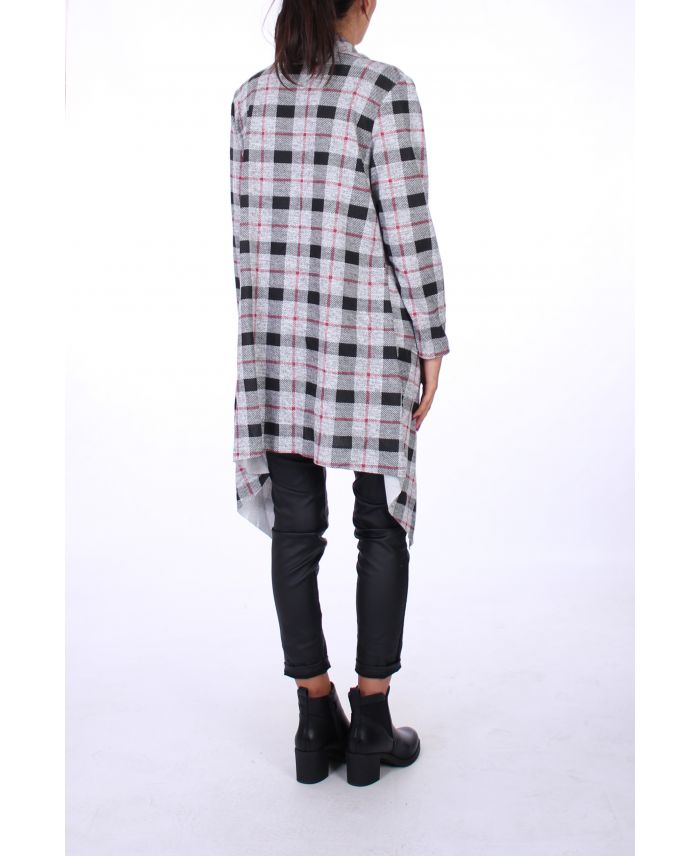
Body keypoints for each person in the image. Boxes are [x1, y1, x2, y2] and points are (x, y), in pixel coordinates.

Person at [229, 0, 450, 786]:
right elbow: (408, 229)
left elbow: (243, 234)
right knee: (380, 525)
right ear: (355, 4)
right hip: (367, 338)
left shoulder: (251, 97)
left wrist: (260, 334)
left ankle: (313, 716)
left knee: (297, 531)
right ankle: (372, 725)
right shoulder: (384, 90)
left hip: (278, 343)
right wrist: (432, 338)